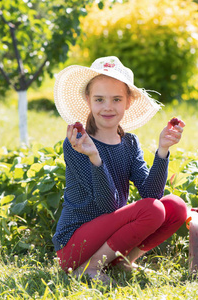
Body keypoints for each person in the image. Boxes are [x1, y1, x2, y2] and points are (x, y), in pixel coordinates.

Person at [52, 56, 187, 284]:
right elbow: (108, 207)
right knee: (152, 210)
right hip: (75, 244)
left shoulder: (129, 143)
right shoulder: (77, 144)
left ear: (128, 102)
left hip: (107, 236)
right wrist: (94, 156)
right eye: (99, 99)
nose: (107, 107)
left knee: (175, 206)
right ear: (88, 100)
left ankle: (123, 261)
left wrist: (162, 150)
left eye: (116, 99)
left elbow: (151, 194)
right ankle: (90, 267)